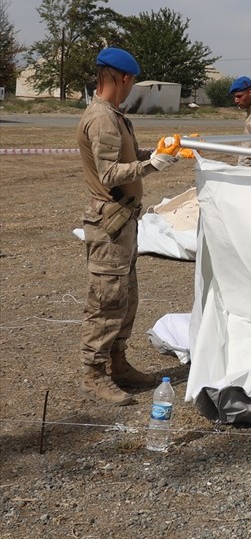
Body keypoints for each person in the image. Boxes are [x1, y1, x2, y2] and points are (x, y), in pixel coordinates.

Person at [76, 48, 179, 405]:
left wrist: (157, 153)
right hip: (109, 223)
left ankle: (117, 364)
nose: (132, 86)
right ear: (122, 78)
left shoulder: (114, 116)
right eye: (132, 80)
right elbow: (108, 174)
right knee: (106, 303)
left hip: (121, 222)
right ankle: (95, 374)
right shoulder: (103, 118)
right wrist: (154, 165)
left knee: (125, 300)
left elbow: (123, 158)